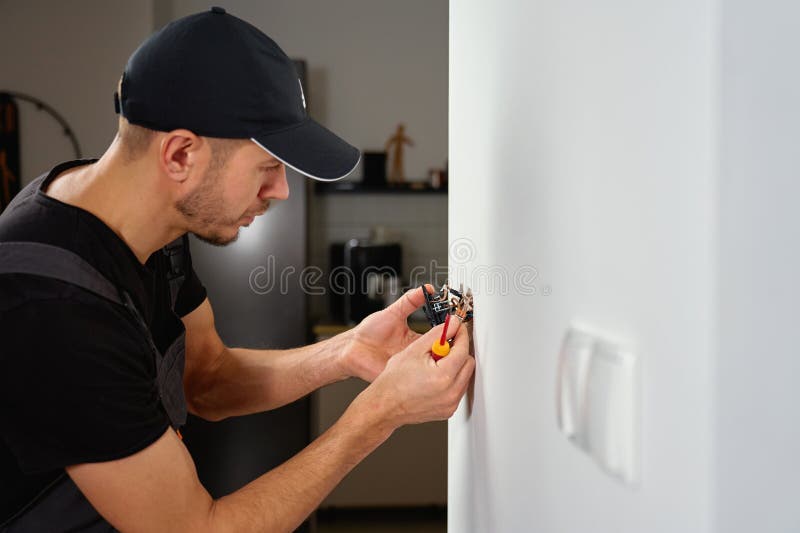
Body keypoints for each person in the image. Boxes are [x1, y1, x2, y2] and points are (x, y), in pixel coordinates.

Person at [0, 8, 474, 532]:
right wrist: (378, 415)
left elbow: (209, 379)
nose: (282, 191)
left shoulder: (148, 225)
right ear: (180, 154)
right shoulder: (51, 304)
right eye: (268, 168)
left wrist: (347, 350)